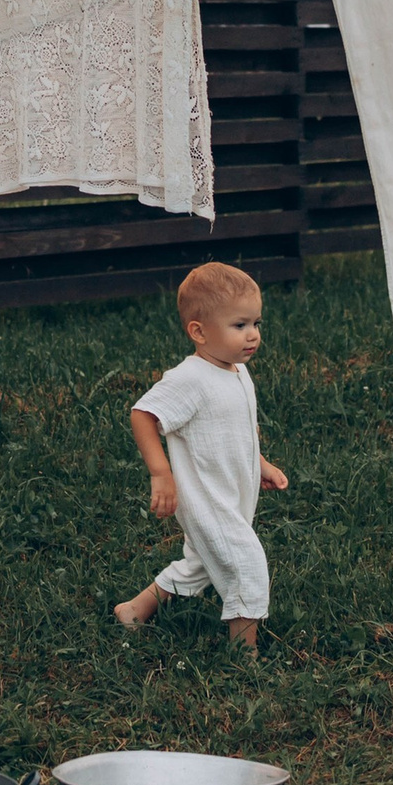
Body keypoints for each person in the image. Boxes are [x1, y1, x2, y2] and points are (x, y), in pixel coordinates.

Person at [112, 262, 288, 647]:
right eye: (239, 325)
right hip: (205, 498)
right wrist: (161, 473)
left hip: (233, 492)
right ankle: (244, 654)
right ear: (199, 331)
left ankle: (135, 610)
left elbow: (237, 430)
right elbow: (142, 414)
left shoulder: (237, 372)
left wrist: (260, 463)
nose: (253, 335)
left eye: (257, 323)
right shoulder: (190, 379)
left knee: (201, 564)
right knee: (245, 562)